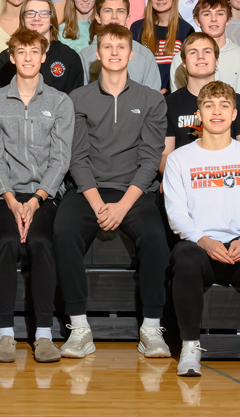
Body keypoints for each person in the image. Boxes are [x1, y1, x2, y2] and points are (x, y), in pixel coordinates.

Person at [55, 23, 171, 360]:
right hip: (89, 190)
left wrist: (121, 206)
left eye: (121, 46)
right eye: (108, 46)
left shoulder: (151, 99)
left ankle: (151, 327)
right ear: (98, 53)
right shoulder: (78, 98)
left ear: (132, 54)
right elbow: (77, 157)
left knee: (155, 236)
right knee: (63, 231)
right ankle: (79, 328)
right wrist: (98, 202)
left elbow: (151, 159)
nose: (115, 52)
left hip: (134, 192)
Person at [163, 80, 240, 378]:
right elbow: (176, 214)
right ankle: (190, 347)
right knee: (185, 259)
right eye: (209, 105)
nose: (217, 111)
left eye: (224, 106)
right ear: (198, 114)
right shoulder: (179, 159)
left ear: (234, 114)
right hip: (201, 246)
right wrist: (203, 241)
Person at [0, 27, 76, 363]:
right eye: (21, 52)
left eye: (34, 51)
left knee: (40, 244)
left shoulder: (60, 102)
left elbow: (61, 158)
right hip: (5, 195)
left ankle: (44, 335)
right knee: (6, 243)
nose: (28, 58)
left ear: (44, 56)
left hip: (44, 195)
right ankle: (5, 334)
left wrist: (35, 200)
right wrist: (10, 199)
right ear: (11, 57)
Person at [164, 33, 240, 170]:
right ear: (184, 62)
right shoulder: (170, 103)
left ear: (217, 60)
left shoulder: (235, 100)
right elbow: (166, 154)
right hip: (186, 175)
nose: (200, 56)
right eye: (193, 52)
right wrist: (172, 176)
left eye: (207, 51)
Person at [0, 0, 83, 94]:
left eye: (43, 13)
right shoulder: (6, 58)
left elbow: (73, 102)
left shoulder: (70, 57)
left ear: (52, 19)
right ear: (23, 19)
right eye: (30, 13)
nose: (36, 18)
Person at [77, 0, 162, 90]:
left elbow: (152, 99)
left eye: (120, 11)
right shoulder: (83, 57)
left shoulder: (145, 56)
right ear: (98, 18)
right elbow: (81, 98)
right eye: (108, 11)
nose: (114, 16)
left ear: (127, 18)